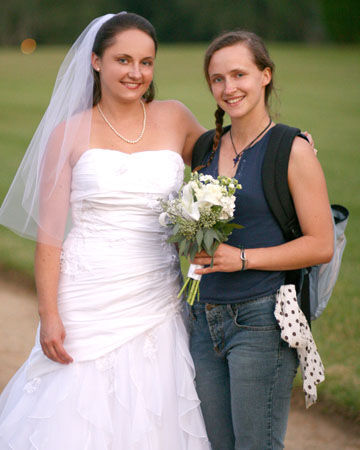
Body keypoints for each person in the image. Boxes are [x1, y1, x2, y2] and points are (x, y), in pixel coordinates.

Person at [0, 12, 211, 449]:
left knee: (156, 404)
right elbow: (50, 235)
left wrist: (287, 144)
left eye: (146, 62)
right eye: (123, 60)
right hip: (86, 293)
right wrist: (49, 313)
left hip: (156, 292)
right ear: (96, 62)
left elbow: (233, 158)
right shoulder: (69, 132)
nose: (136, 73)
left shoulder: (175, 118)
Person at [189, 31, 334, 450]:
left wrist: (245, 258)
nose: (229, 88)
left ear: (265, 75)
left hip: (261, 321)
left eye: (239, 74)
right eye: (218, 79)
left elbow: (321, 243)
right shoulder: (205, 147)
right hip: (203, 319)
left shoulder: (291, 148)